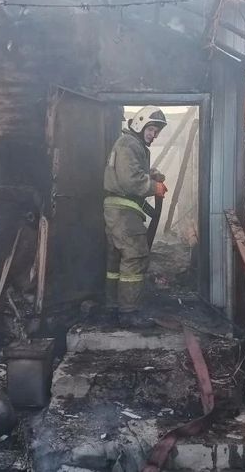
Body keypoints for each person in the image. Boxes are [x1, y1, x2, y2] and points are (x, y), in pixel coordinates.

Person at [102, 105, 168, 328]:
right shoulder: (130, 144)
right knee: (135, 256)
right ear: (140, 124)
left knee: (116, 261)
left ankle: (113, 306)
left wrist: (150, 175)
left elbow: (128, 174)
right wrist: (153, 186)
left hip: (117, 209)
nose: (154, 135)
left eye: (157, 131)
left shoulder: (131, 144)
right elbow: (130, 180)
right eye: (151, 129)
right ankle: (129, 312)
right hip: (124, 211)